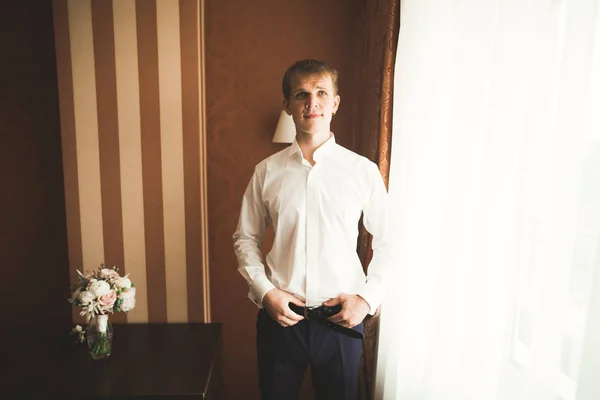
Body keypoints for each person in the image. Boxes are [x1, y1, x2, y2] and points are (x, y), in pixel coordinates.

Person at [233, 59, 394, 400]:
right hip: (280, 318)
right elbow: (245, 238)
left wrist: (366, 300)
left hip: (341, 320)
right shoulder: (266, 172)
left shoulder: (362, 171)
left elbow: (388, 241)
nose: (312, 102)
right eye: (301, 94)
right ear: (287, 105)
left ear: (335, 103)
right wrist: (265, 292)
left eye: (322, 93)